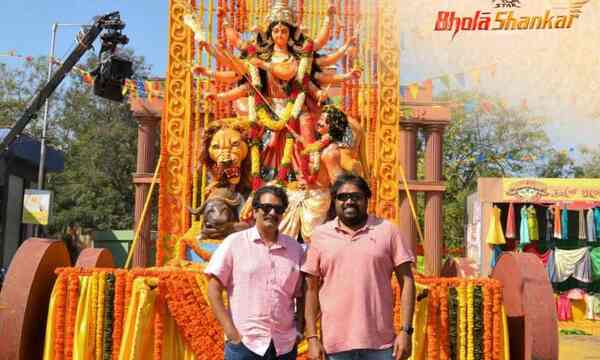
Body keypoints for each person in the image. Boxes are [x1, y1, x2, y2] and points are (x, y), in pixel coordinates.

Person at [302, 174, 416, 360]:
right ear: (334, 201)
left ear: (366, 199)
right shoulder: (320, 236)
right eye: (342, 197)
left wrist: (406, 331)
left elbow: (407, 281)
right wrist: (312, 338)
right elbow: (310, 289)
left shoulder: (388, 231)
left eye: (356, 196)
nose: (349, 201)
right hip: (335, 346)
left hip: (381, 346)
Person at [205, 185, 304, 359]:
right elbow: (213, 288)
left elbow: (302, 293)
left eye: (278, 209)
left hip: (284, 346)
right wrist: (231, 332)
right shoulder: (234, 243)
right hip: (245, 345)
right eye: (266, 208)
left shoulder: (295, 248)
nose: (272, 213)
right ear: (255, 210)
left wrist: (300, 328)